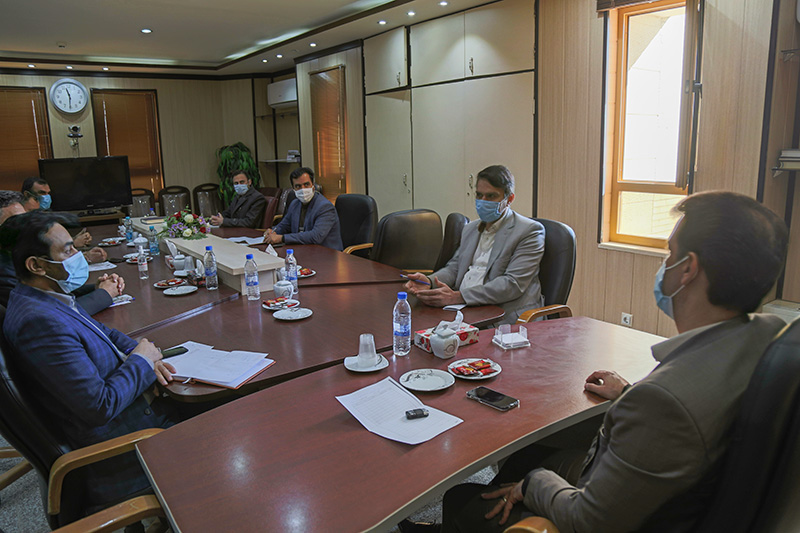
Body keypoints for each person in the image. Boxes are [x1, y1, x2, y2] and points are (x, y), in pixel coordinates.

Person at [431, 191, 789, 533]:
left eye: (670, 253)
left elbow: (588, 521)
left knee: (463, 499)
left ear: (688, 269)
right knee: (529, 454)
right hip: (681, 491)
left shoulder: (663, 401)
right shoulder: (769, 339)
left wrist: (533, 485)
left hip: (611, 513)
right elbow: (687, 416)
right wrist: (631, 395)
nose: (665, 264)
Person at [0, 210, 177, 508]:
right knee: (229, 422)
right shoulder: (38, 322)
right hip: (124, 452)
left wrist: (144, 351)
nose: (77, 256)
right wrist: (142, 362)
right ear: (36, 265)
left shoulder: (46, 296)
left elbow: (104, 332)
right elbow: (99, 406)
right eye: (68, 250)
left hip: (136, 419)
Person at [404, 165, 544, 324]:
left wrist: (458, 297)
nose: (483, 201)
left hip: (503, 315)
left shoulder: (529, 231)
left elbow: (512, 284)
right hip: (463, 309)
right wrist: (428, 282)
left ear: (509, 199)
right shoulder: (470, 229)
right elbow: (455, 268)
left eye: (491, 196)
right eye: (479, 195)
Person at [0, 193, 122, 313]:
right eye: (14, 220)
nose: (27, 223)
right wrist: (104, 294)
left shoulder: (16, 258)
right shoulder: (4, 273)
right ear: (35, 265)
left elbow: (53, 294)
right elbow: (54, 313)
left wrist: (97, 288)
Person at [263, 167, 343, 250]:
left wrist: (282, 238)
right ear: (293, 189)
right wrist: (273, 231)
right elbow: (284, 225)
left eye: (306, 184)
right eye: (298, 186)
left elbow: (316, 236)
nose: (303, 189)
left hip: (327, 252)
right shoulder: (295, 204)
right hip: (303, 249)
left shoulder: (325, 207)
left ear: (313, 185)